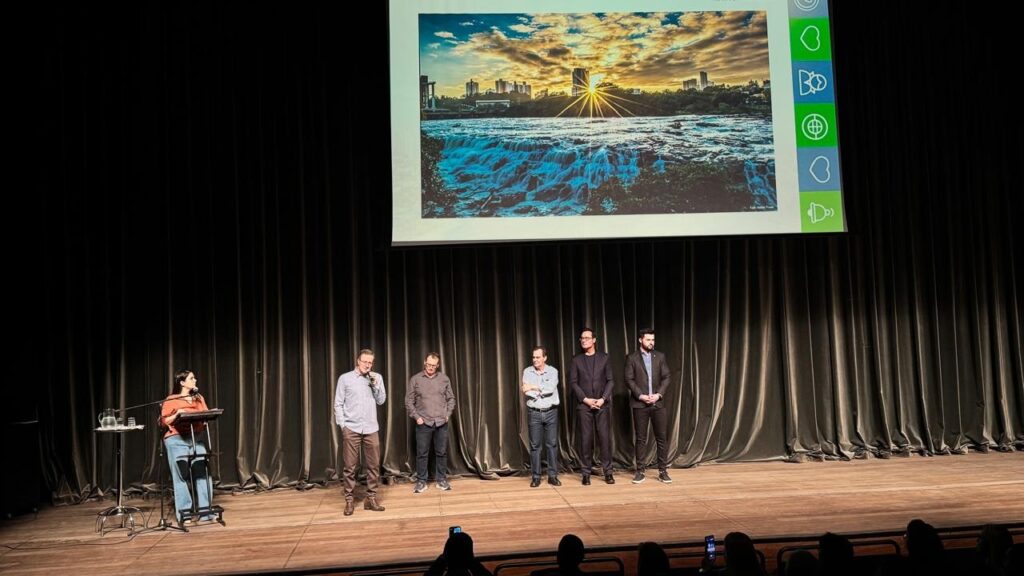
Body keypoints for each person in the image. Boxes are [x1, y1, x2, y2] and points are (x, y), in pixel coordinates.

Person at [335, 348, 387, 516]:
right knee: (350, 467)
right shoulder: (345, 379)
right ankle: (349, 500)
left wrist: (376, 385)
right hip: (352, 428)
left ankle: (370, 499)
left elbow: (381, 401)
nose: (367, 365)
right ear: (358, 361)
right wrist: (343, 425)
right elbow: (338, 404)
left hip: (371, 428)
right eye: (365, 361)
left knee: (373, 466)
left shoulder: (376, 377)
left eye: (370, 362)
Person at [160, 369, 214, 524]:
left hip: (195, 439)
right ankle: (185, 514)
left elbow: (206, 414)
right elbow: (164, 421)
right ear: (182, 382)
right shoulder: (172, 399)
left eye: (195, 378)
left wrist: (204, 419)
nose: (195, 380)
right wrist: (178, 414)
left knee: (202, 473)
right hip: (176, 439)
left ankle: (206, 513)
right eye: (192, 378)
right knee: (181, 476)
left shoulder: (198, 398)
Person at [624, 328, 672, 484]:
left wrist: (658, 394)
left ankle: (663, 471)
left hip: (658, 403)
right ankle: (640, 471)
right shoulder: (632, 358)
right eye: (648, 340)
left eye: (653, 340)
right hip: (640, 404)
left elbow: (666, 377)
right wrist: (641, 396)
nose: (651, 342)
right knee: (641, 439)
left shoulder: (660, 356)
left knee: (662, 438)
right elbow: (629, 379)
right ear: (640, 340)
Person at [569, 327, 615, 485]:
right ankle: (586, 473)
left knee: (604, 439)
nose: (584, 340)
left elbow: (610, 380)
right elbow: (573, 383)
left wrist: (602, 399)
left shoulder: (604, 358)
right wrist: (586, 399)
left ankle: (608, 472)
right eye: (582, 338)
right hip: (585, 406)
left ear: (594, 340)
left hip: (602, 405)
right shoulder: (576, 360)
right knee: (586, 440)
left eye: (587, 338)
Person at [406, 352, 456, 493]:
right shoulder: (415, 379)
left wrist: (448, 414)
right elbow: (408, 401)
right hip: (424, 423)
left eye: (434, 365)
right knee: (422, 453)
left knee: (441, 452)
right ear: (424, 363)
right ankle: (422, 481)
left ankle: (441, 480)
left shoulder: (444, 379)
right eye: (428, 364)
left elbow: (451, 398)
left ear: (437, 365)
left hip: (441, 422)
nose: (431, 367)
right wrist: (417, 417)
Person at [521, 346, 561, 487]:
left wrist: (534, 387)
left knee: (551, 445)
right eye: (533, 357)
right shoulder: (527, 371)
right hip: (534, 413)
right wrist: (537, 388)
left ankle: (552, 476)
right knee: (535, 446)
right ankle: (536, 477)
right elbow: (526, 391)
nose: (535, 360)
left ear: (544, 358)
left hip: (551, 412)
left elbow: (551, 389)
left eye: (538, 357)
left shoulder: (553, 371)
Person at [425, 531, 493, 576]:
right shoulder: (470, 561)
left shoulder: (444, 560)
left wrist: (440, 561)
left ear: (446, 555)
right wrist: (473, 562)